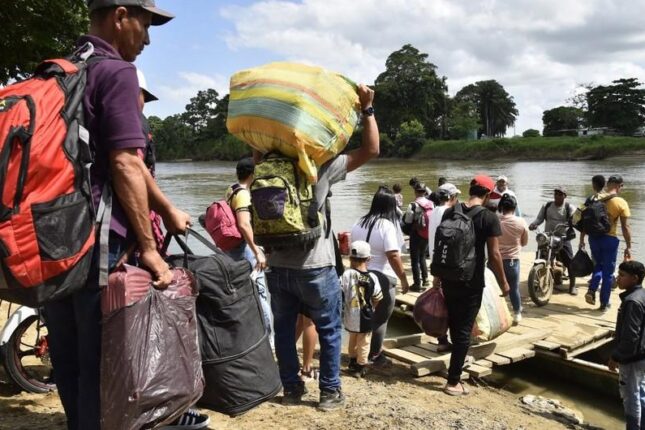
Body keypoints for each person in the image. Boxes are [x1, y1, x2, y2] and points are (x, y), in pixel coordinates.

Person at [42, 2, 208, 429]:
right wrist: (150, 250)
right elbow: (125, 164)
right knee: (104, 367)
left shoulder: (61, 70)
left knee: (70, 360)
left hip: (55, 240)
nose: (147, 39)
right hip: (98, 247)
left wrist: (167, 208)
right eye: (146, 24)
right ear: (120, 16)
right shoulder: (116, 72)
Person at [264, 84, 379, 411]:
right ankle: (329, 392)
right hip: (316, 267)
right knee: (328, 331)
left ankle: (291, 389)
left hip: (277, 267)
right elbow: (371, 150)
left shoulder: (266, 164)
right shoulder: (320, 164)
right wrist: (367, 108)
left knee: (285, 333)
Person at [433, 175, 510, 396]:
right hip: (471, 280)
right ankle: (453, 381)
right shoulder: (489, 217)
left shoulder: (451, 211)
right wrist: (504, 283)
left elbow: (442, 246)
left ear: (470, 190)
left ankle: (453, 363)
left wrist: (437, 276)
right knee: (464, 330)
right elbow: (494, 254)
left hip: (448, 277)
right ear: (487, 195)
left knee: (455, 322)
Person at [351, 186, 410, 367]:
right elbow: (393, 255)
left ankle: (356, 354)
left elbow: (352, 250)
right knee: (381, 318)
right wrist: (403, 278)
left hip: (360, 275)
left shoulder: (359, 222)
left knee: (361, 316)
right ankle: (375, 355)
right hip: (383, 277)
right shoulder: (387, 225)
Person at [224, 157, 272, 339]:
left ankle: (246, 335)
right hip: (245, 249)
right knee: (260, 293)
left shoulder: (231, 189)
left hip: (232, 249)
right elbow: (244, 224)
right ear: (253, 174)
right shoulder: (244, 193)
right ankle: (268, 339)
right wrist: (257, 251)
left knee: (241, 293)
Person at [581, 175, 632, 311]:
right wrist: (628, 246)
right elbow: (625, 227)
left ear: (608, 184)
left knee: (598, 265)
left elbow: (583, 220)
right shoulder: (621, 202)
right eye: (621, 186)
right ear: (619, 186)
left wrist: (582, 240)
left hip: (594, 238)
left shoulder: (593, 198)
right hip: (610, 239)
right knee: (608, 272)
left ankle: (592, 290)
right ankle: (604, 303)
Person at [608, 260, 645, 429]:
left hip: (632, 357)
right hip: (641, 354)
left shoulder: (632, 301)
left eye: (622, 276)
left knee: (630, 396)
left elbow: (630, 336)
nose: (618, 278)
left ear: (635, 278)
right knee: (640, 392)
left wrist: (616, 356)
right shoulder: (642, 295)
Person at [341, 241, 383, 378]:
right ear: (369, 258)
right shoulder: (373, 277)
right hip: (366, 315)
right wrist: (373, 308)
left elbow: (339, 290)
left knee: (352, 339)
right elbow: (377, 297)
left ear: (350, 258)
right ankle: (361, 365)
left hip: (350, 315)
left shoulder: (346, 275)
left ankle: (352, 361)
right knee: (364, 342)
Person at [529, 185, 578, 295]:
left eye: (560, 194)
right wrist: (534, 224)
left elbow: (576, 219)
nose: (557, 196)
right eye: (555, 193)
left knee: (570, 262)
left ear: (565, 196)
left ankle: (573, 286)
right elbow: (539, 218)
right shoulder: (547, 205)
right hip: (548, 237)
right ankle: (536, 282)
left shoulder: (569, 207)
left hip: (563, 238)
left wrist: (572, 222)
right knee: (541, 257)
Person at [498, 194, 529, 323]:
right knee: (514, 288)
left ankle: (498, 315)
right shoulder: (521, 222)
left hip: (496, 261)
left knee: (496, 289)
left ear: (501, 207)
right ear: (515, 207)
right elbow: (524, 242)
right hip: (512, 261)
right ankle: (517, 313)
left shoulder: (496, 221)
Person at [403, 182, 433, 291]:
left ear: (415, 192)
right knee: (422, 257)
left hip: (416, 234)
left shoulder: (413, 205)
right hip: (427, 234)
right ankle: (425, 279)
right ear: (425, 192)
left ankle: (417, 284)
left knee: (415, 259)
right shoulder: (431, 203)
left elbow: (407, 221)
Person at [428, 183, 461, 262]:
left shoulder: (434, 210)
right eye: (456, 196)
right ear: (452, 197)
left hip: (434, 255)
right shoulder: (448, 212)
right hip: (444, 257)